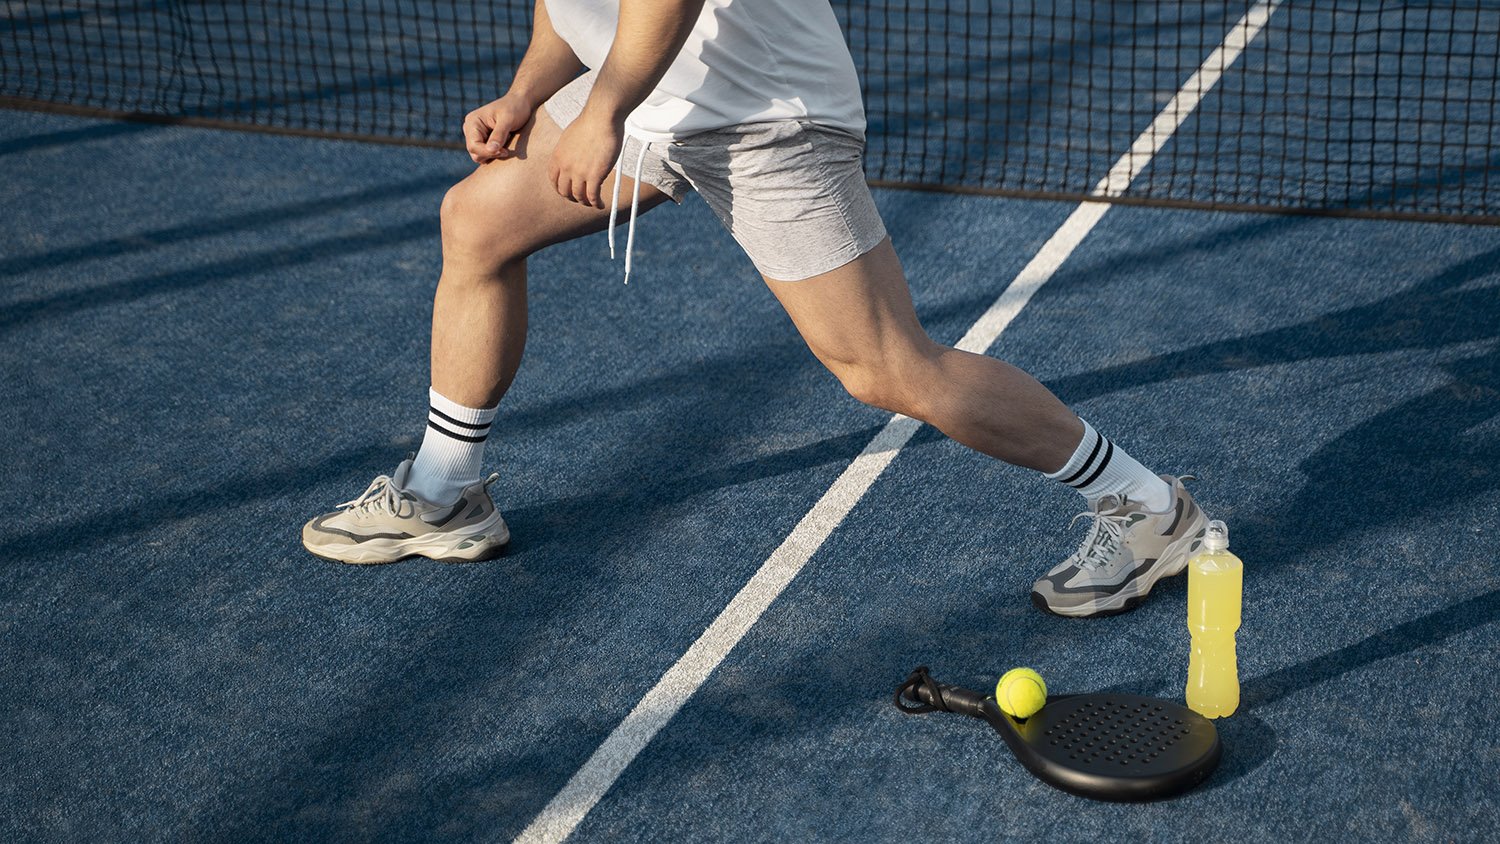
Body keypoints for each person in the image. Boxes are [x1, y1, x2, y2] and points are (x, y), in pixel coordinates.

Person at [301, 0, 1209, 618]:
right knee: (478, 223)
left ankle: (1146, 506)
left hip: (766, 111)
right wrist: (531, 92)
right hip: (659, 100)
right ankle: (445, 492)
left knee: (885, 367)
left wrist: (603, 110)